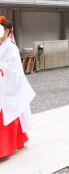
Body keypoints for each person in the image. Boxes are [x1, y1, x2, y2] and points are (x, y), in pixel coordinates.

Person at [0, 16, 35, 158]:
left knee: (8, 115)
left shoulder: (11, 48)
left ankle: (4, 149)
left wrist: (2, 71)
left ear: (8, 32)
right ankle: (17, 142)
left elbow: (14, 70)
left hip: (6, 85)